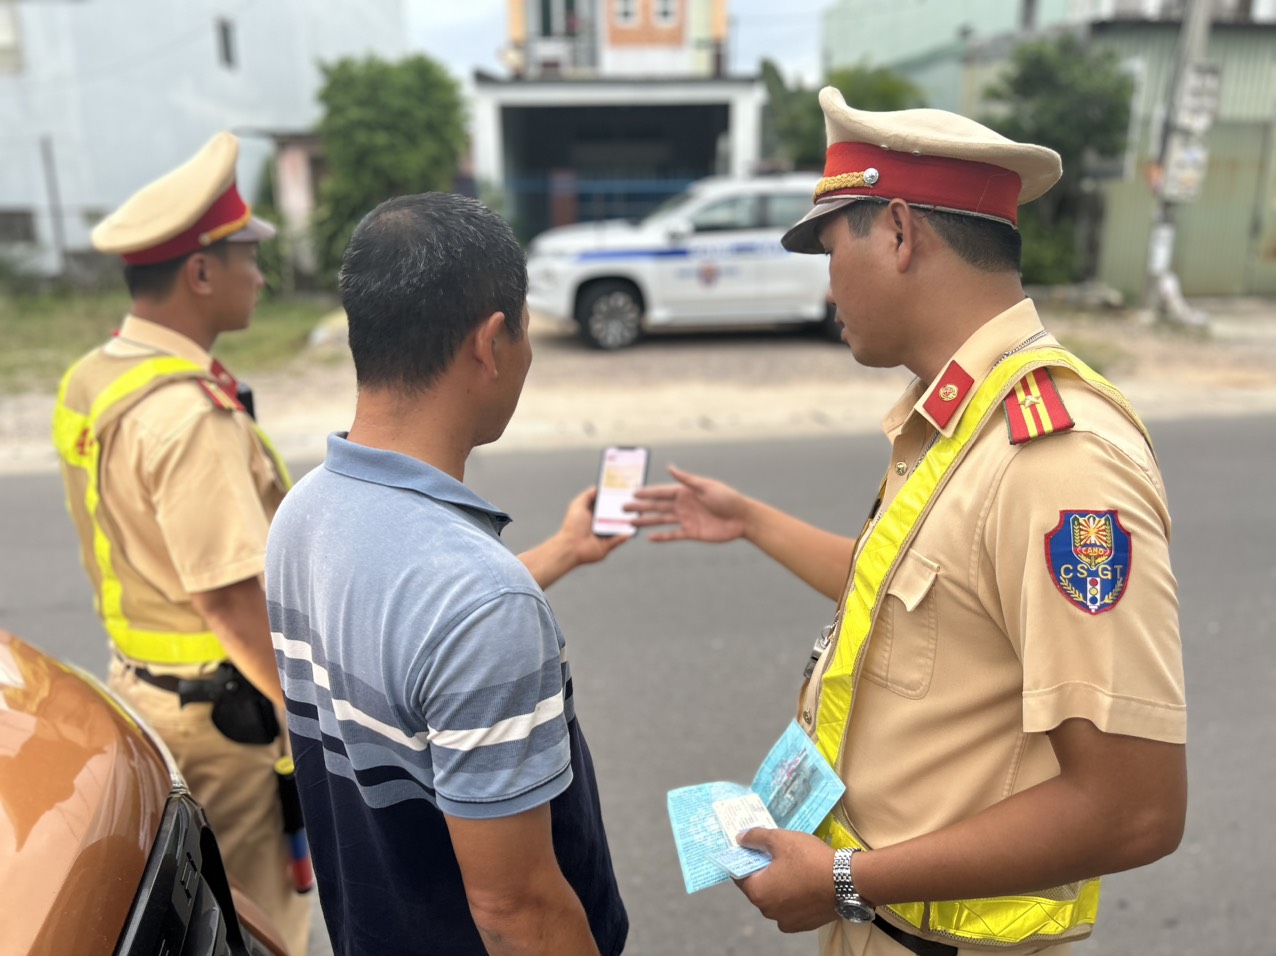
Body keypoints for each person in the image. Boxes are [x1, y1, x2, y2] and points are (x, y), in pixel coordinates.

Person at [628, 87, 1187, 956]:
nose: (825, 280)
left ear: (897, 231)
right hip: (876, 927)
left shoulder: (1057, 459)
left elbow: (1135, 806)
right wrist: (749, 521)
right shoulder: (953, 416)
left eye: (829, 247)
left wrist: (846, 880)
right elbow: (907, 592)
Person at [265, 192, 630, 956]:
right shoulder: (480, 599)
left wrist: (561, 551)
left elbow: (410, 640)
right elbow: (517, 910)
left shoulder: (304, 513)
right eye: (528, 330)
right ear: (491, 342)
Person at [52, 132, 311, 954]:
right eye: (247, 257)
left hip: (144, 687)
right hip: (224, 715)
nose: (262, 276)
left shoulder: (95, 374)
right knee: (262, 927)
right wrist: (303, 714)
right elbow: (230, 597)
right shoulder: (190, 418)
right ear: (201, 273)